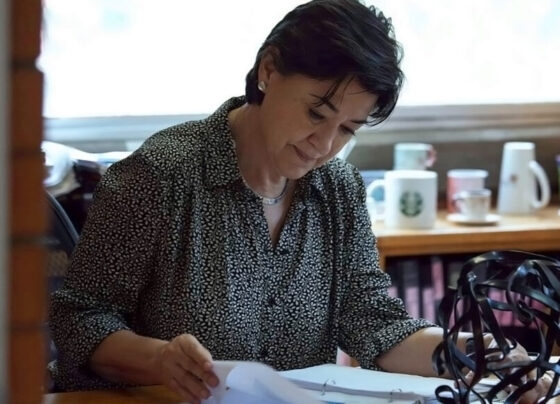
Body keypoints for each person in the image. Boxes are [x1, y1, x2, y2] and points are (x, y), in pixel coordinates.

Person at [49, 1, 550, 403]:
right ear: (268, 70)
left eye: (348, 129)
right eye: (317, 112)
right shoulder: (161, 176)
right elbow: (79, 320)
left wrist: (475, 356)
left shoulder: (338, 188)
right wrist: (159, 359)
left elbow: (376, 323)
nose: (325, 145)